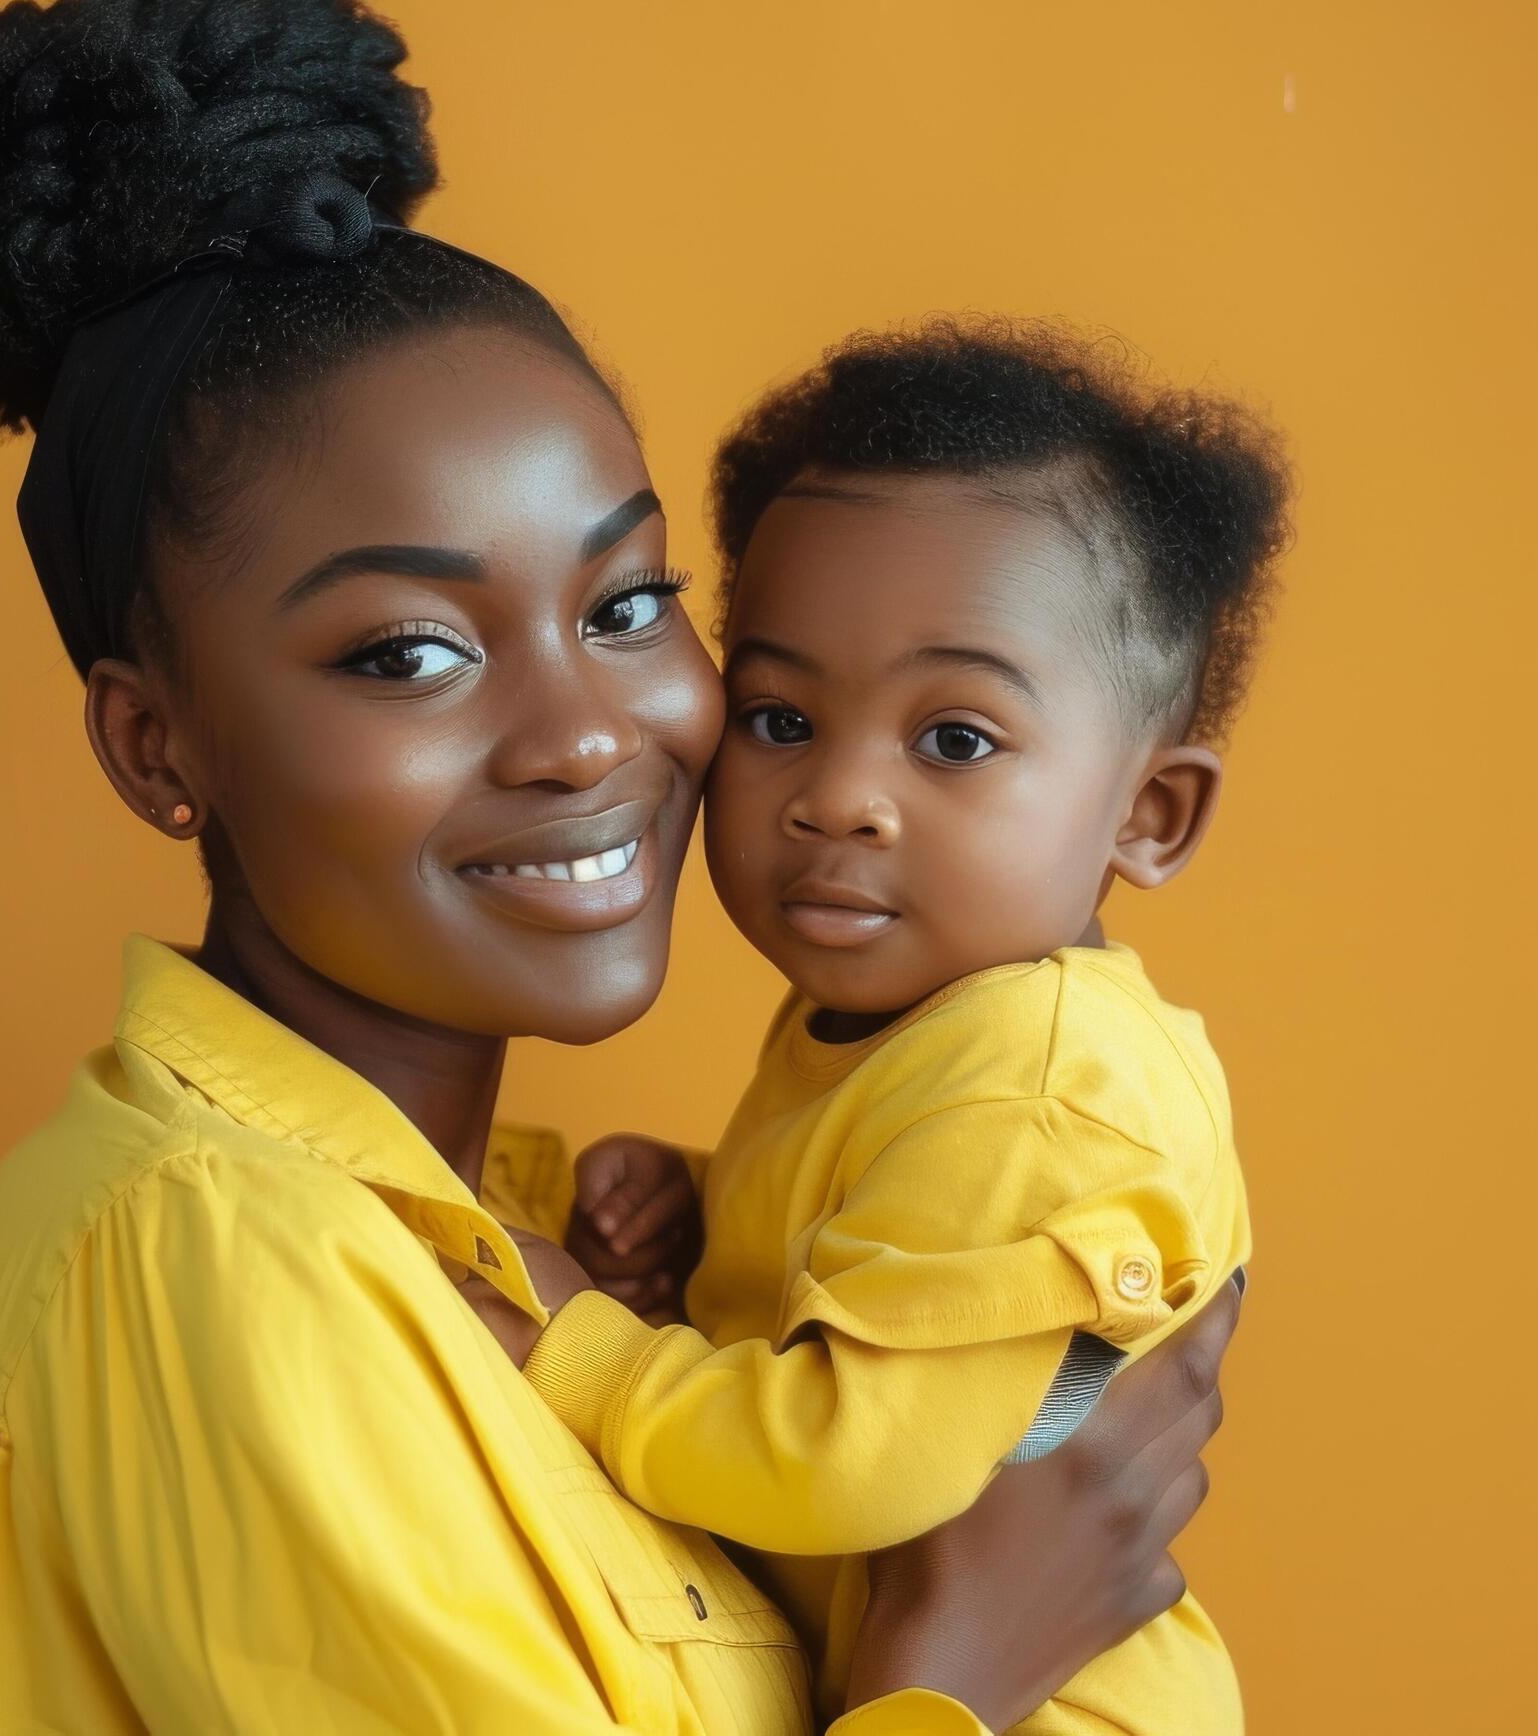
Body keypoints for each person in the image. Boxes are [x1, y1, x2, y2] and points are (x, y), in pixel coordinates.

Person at [0, 0, 1237, 1735]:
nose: (592, 729)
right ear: (156, 743)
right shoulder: (220, 1280)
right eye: (410, 652)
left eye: (628, 601)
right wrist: (952, 1675)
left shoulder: (509, 1241)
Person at [522, 324, 1286, 1731]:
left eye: (955, 740)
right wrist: (710, 1223)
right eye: (779, 718)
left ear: (1148, 813)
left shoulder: (1042, 1090)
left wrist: (581, 1347)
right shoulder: (917, 1028)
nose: (841, 798)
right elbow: (903, 1288)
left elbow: (843, 1462)